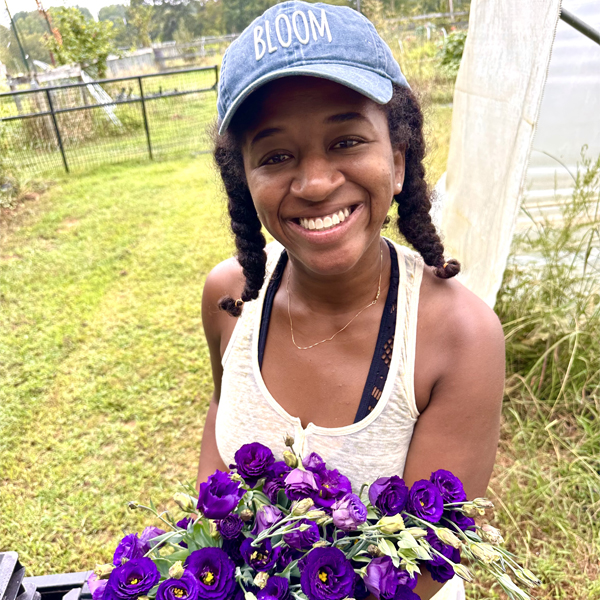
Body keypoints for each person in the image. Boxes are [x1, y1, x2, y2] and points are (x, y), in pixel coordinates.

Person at [196, 2, 505, 599]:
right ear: (245, 179)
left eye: (346, 140)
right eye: (276, 155)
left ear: (396, 157)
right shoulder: (231, 297)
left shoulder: (458, 338)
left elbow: (425, 565)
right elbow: (219, 421)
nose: (315, 183)